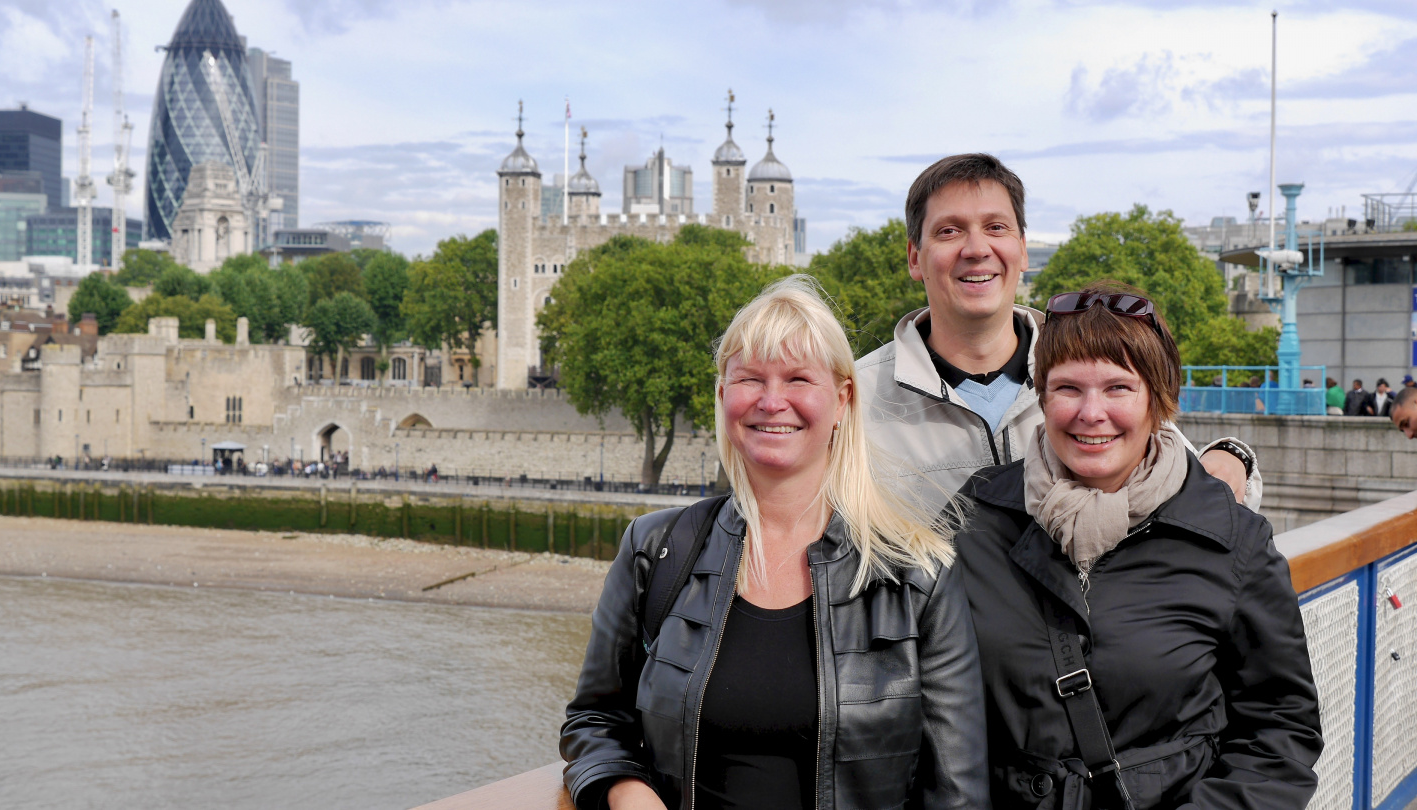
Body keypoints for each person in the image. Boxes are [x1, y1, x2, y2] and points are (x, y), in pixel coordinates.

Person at [561, 276, 988, 810]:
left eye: (798, 379)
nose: (771, 401)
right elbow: (595, 720)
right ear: (723, 396)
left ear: (842, 399)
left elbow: (957, 793)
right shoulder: (656, 549)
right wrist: (626, 793)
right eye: (750, 379)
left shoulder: (918, 573)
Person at [951, 282, 1322, 808]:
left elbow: (1280, 730)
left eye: (1118, 388)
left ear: (1158, 399)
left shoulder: (1230, 540)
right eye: (1068, 388)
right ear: (1042, 397)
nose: (1091, 412)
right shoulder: (977, 518)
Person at [855, 153, 1260, 513]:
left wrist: (1232, 455)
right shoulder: (855, 399)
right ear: (914, 257)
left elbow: (1175, 465)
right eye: (949, 231)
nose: (977, 248)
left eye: (996, 228)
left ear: (1023, 250)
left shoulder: (1085, 367)